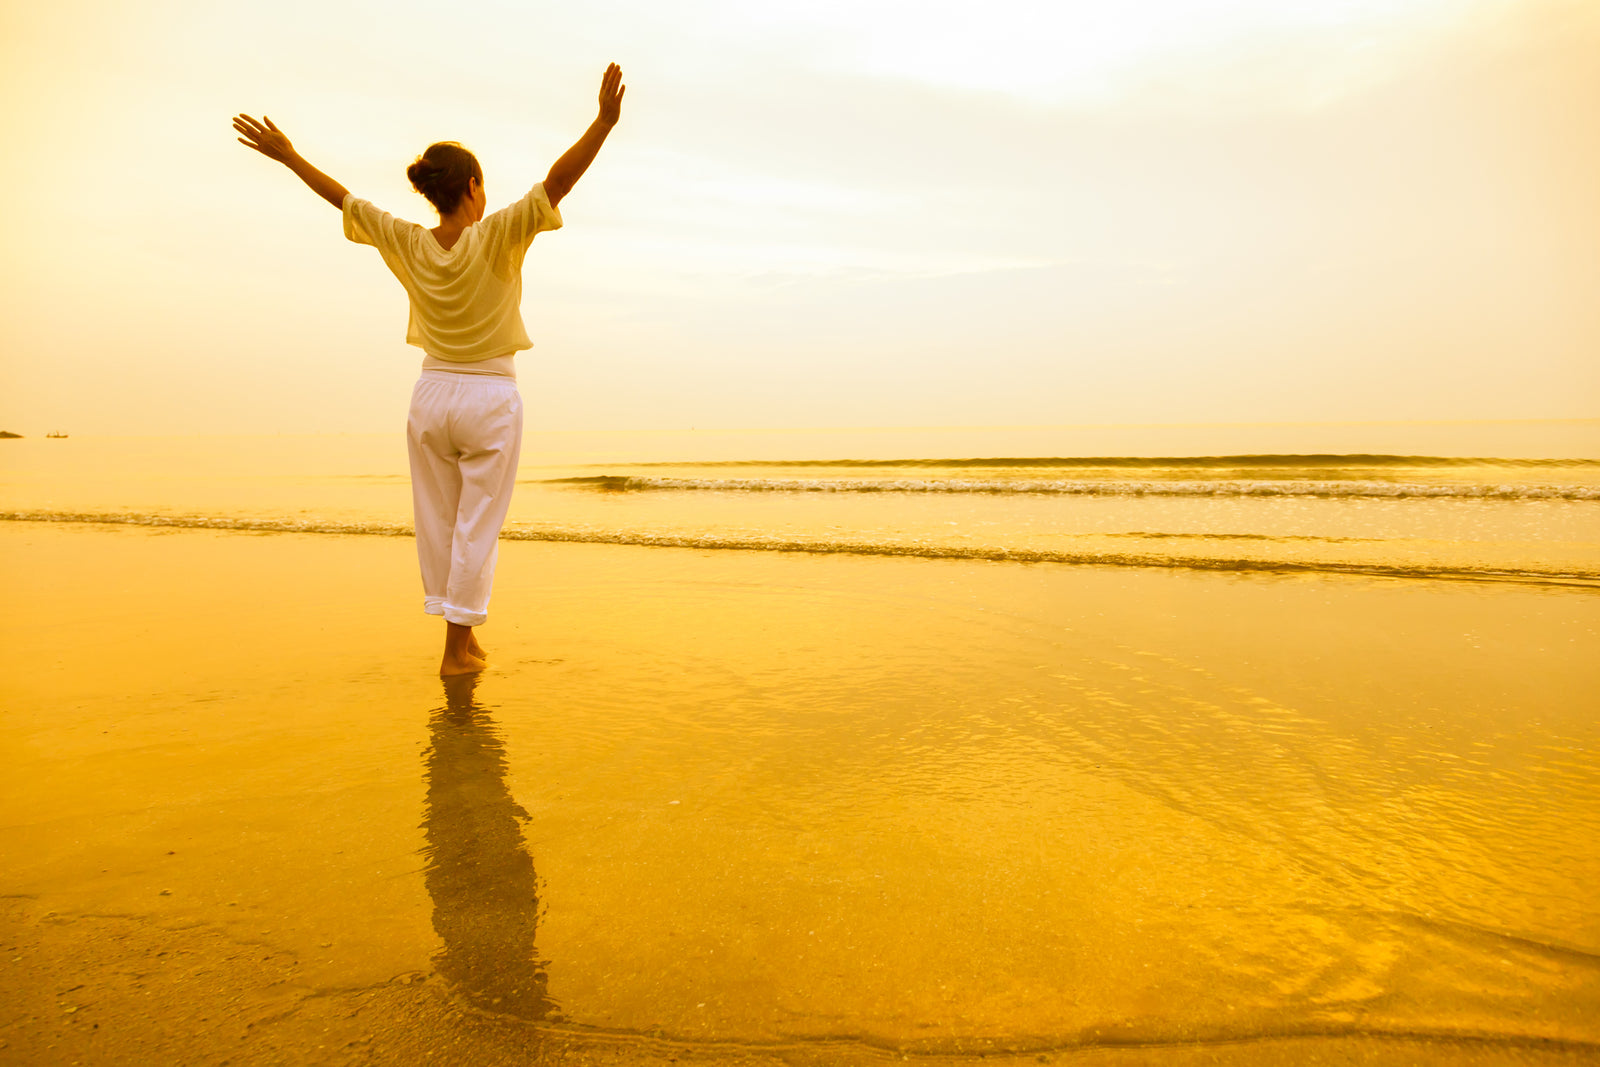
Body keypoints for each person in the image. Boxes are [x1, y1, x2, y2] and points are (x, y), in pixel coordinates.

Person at [234, 64, 625, 676]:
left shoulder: (409, 241)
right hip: (490, 395)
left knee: (440, 521)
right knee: (477, 525)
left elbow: (343, 198)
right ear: (473, 186)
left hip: (430, 395)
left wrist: (289, 157)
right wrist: (602, 124)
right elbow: (557, 183)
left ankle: (462, 642)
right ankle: (454, 652)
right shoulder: (497, 236)